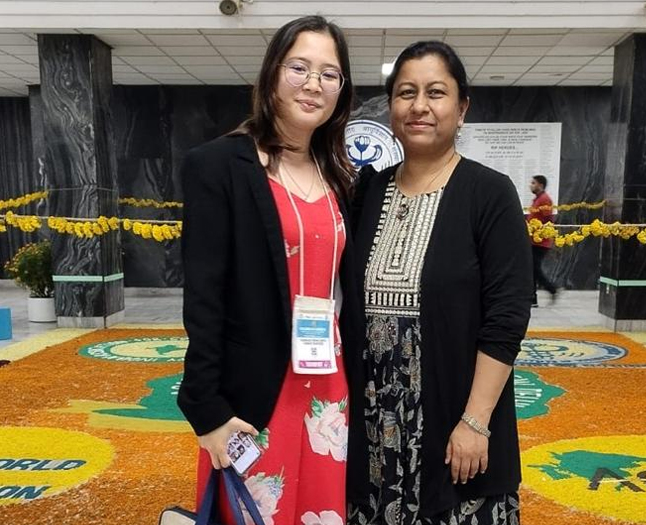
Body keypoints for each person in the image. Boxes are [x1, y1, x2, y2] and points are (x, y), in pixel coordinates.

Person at [177, 15, 364, 525]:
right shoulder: (219, 165)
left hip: (327, 387)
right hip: (256, 390)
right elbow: (204, 297)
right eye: (299, 67)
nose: (313, 84)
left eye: (329, 74)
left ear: (342, 90)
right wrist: (206, 410)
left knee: (321, 513)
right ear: (272, 74)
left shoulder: (338, 176)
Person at [347, 41, 532, 525]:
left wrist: (476, 422)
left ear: (461, 107)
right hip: (372, 427)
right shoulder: (366, 192)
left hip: (456, 422)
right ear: (391, 107)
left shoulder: (489, 192)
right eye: (406, 93)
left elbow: (507, 315)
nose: (419, 106)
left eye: (435, 92)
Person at [527, 175, 558, 307]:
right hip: (534, 240)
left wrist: (539, 231)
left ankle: (551, 290)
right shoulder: (538, 199)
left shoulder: (544, 200)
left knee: (533, 269)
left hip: (540, 242)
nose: (531, 185)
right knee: (532, 269)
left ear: (540, 185)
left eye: (533, 183)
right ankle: (533, 298)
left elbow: (548, 220)